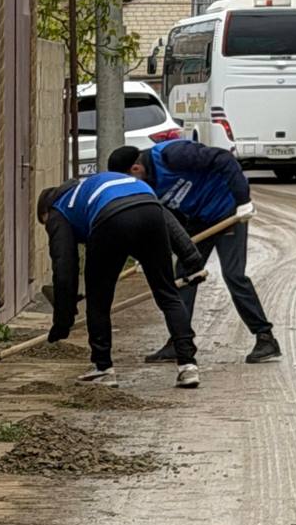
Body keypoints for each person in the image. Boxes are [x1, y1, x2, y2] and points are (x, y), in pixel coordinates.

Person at [108, 141, 282, 364]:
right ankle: (180, 342)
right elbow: (167, 221)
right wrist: (151, 253)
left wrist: (243, 201)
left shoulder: (172, 155)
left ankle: (265, 338)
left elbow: (223, 159)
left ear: (135, 168)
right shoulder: (147, 186)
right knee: (183, 277)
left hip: (229, 212)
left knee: (233, 274)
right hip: (199, 220)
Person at [38, 173, 200, 389]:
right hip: (150, 209)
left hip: (110, 220)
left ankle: (103, 368)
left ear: (46, 212)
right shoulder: (95, 187)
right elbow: (163, 215)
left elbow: (65, 267)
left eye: (45, 224)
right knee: (167, 293)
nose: (49, 228)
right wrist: (191, 257)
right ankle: (188, 366)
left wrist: (62, 321)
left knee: (99, 301)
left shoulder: (59, 210)